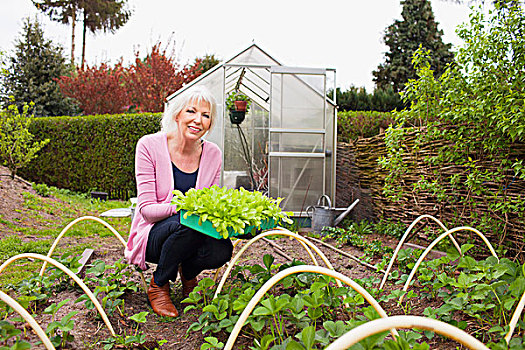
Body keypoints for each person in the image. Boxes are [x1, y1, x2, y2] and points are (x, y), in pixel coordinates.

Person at [125, 86, 233, 317]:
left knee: (223, 248)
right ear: (177, 115)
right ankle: (159, 284)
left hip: (191, 232)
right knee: (188, 222)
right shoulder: (149, 146)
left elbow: (211, 205)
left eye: (206, 115)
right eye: (191, 112)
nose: (198, 120)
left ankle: (188, 273)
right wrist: (186, 207)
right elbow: (146, 211)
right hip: (155, 234)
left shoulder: (213, 153)